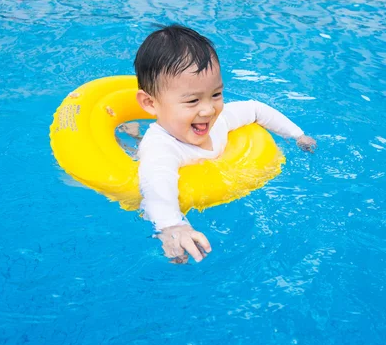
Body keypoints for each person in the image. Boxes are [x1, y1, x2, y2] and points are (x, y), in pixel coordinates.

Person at [133, 24, 316, 263]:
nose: (209, 109)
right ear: (150, 104)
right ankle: (132, 136)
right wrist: (173, 228)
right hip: (151, 162)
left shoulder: (219, 120)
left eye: (216, 94)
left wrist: (296, 135)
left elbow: (255, 109)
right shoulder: (160, 149)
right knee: (136, 152)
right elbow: (157, 188)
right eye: (192, 100)